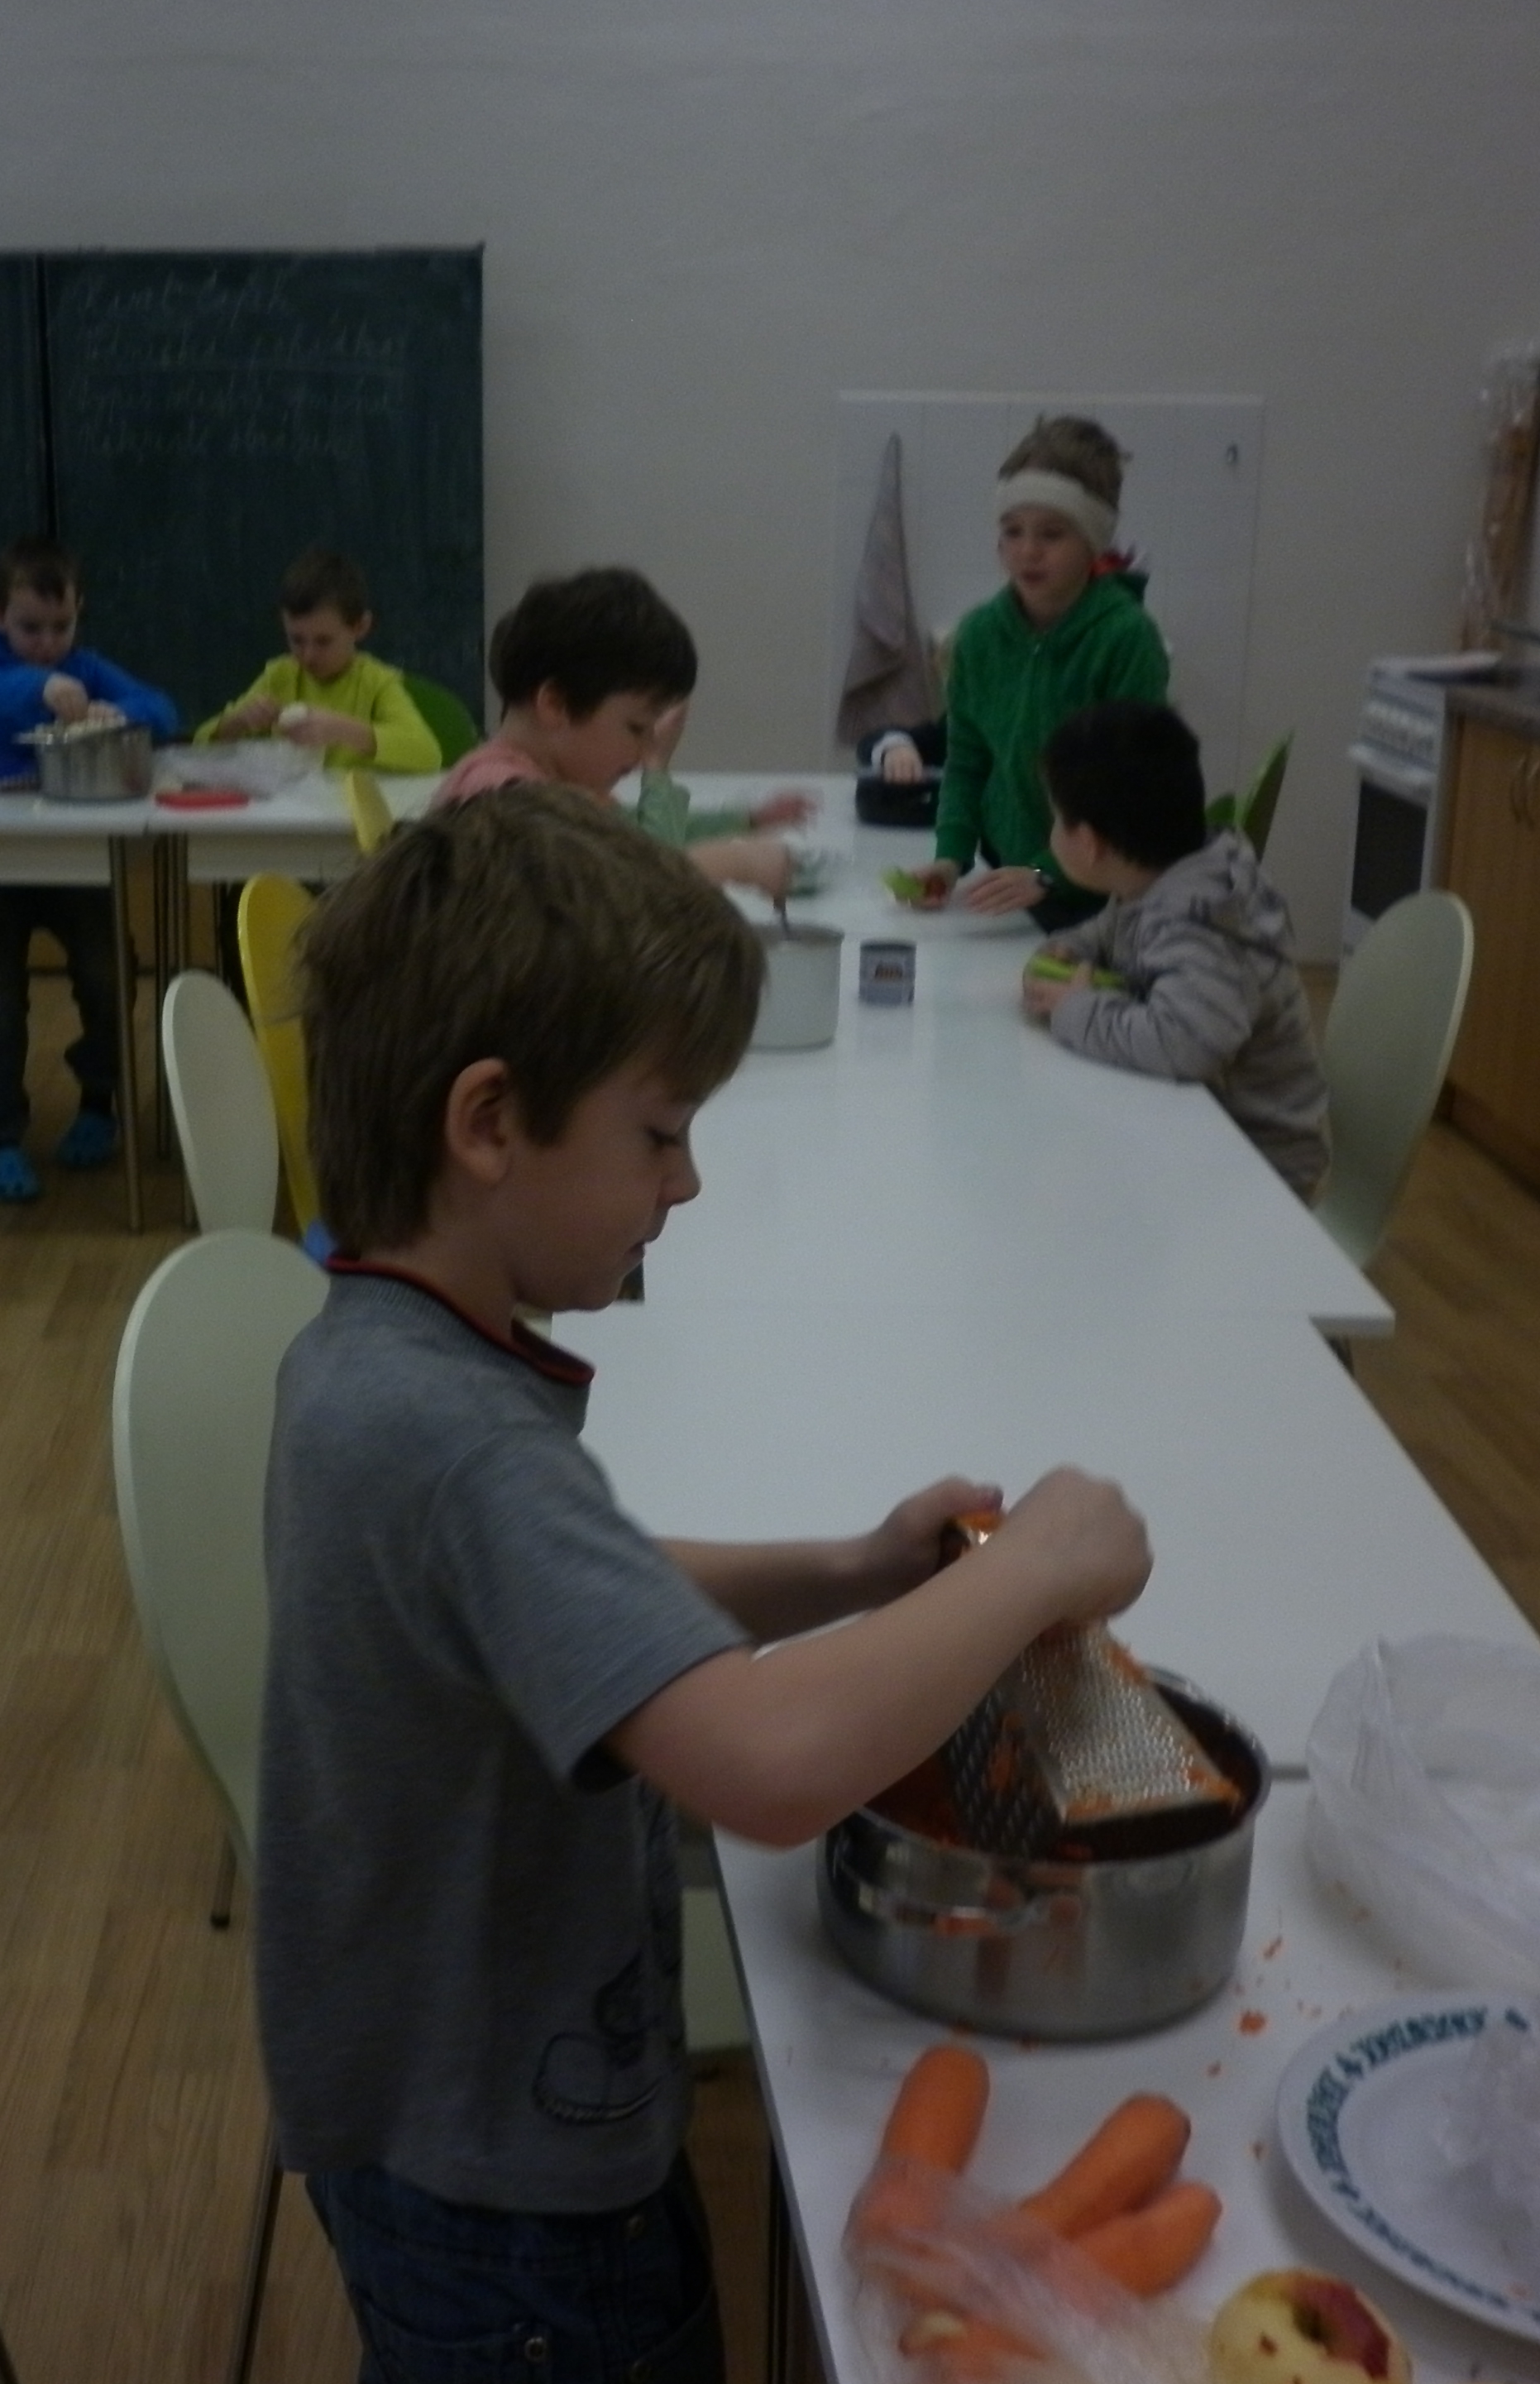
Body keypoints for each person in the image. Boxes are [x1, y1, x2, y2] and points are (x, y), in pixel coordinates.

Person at [265, 781, 1152, 2380]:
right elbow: (769, 1767)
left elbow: (576, 1603)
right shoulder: (462, 1446)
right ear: (489, 1124)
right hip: (514, 2207)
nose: (685, 1186)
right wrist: (1038, 1569)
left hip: (428, 2126)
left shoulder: (375, 1355)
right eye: (659, 1135)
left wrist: (851, 1571)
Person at [0, 536, 181, 1204]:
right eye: (30, 628)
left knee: (107, 978)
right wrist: (41, 687)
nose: (48, 643)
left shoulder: (86, 668)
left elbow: (164, 710)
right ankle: (1, 1138)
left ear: (79, 614)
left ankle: (98, 1104)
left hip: (75, 860)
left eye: (61, 626)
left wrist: (118, 711)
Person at [1021, 701, 1328, 1196]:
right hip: (1195, 1131)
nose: (1051, 832)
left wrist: (1076, 1010)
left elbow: (1185, 1045)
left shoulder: (1201, 918)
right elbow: (1110, 933)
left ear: (1090, 844)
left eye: (1057, 819)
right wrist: (1070, 951)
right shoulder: (1157, 878)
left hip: (1256, 1170)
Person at [912, 416, 1169, 931]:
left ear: (1093, 542)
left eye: (1052, 534)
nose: (1028, 550)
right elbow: (967, 761)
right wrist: (950, 857)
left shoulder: (1126, 640)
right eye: (1013, 531)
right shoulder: (977, 637)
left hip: (1108, 897)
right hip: (1013, 885)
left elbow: (1132, 787)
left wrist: (1048, 872)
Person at [431, 566, 811, 897]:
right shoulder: (497, 795)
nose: (645, 750)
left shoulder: (555, 784)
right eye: (637, 728)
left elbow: (634, 832)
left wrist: (747, 821)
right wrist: (736, 861)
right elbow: (638, 884)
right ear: (556, 704)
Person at [197, 546, 440, 772]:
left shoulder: (376, 683)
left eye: (323, 641)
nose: (308, 655)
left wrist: (344, 731)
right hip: (293, 802)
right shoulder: (280, 677)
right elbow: (198, 745)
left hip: (349, 803)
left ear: (360, 627)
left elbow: (428, 754)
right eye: (297, 640)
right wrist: (237, 722)